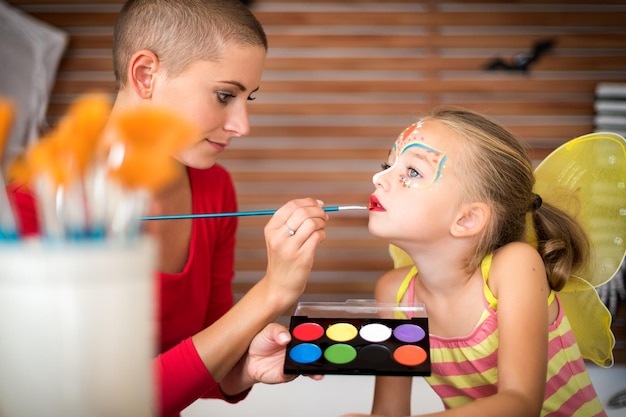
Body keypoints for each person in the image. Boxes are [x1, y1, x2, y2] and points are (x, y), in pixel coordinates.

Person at [7, 1, 328, 416]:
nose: (242, 125)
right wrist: (272, 293)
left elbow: (201, 358)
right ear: (146, 75)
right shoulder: (35, 206)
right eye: (224, 95)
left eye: (249, 97)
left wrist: (243, 369)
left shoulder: (215, 189)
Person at [342, 106, 608, 417]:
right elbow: (389, 413)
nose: (379, 178)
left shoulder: (514, 268)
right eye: (388, 164)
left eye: (412, 172)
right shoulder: (394, 294)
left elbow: (520, 405)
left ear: (468, 219)